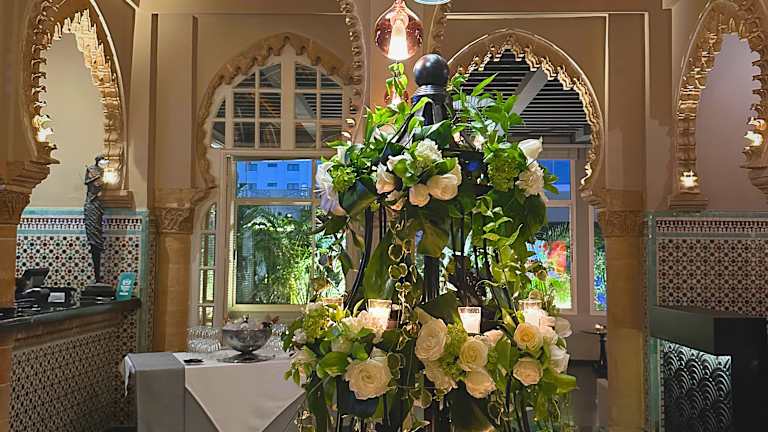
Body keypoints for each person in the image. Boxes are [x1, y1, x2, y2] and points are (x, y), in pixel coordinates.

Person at [84, 155, 108, 283]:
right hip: (92, 206)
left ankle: (98, 277)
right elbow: (95, 185)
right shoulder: (91, 170)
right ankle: (96, 277)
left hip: (98, 206)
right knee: (94, 239)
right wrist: (101, 180)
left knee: (98, 238)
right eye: (103, 161)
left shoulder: (104, 172)